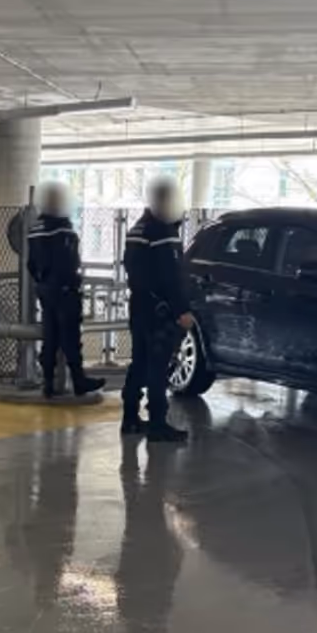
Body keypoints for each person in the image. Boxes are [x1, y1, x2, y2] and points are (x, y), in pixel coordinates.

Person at [121, 175, 194, 442]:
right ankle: (157, 424)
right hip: (159, 310)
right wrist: (181, 310)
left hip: (139, 306)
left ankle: (130, 418)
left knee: (139, 362)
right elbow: (171, 277)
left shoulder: (137, 229)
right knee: (158, 365)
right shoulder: (163, 233)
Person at [26, 183, 106, 400]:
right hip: (65, 290)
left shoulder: (35, 229)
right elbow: (70, 262)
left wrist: (43, 281)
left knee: (50, 335)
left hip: (45, 289)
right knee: (70, 336)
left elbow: (31, 264)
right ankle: (79, 380)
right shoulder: (64, 229)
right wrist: (72, 283)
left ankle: (48, 383)